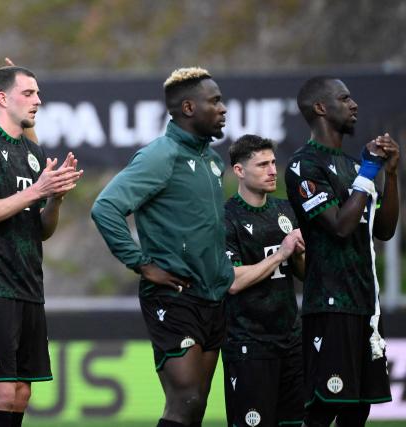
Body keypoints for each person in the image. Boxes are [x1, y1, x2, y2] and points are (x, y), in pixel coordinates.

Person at [91, 67, 234, 427]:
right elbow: (105, 208)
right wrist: (140, 262)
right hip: (174, 296)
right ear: (188, 108)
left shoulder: (213, 161)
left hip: (212, 296)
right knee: (184, 400)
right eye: (214, 101)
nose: (223, 108)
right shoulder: (160, 156)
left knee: (196, 406)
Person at [0, 65, 82, 427]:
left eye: (38, 93)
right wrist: (36, 191)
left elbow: (41, 230)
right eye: (28, 93)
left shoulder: (33, 152)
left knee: (21, 394)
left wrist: (54, 200)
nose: (38, 101)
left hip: (28, 284)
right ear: (2, 98)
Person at [285, 76, 400, 426]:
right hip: (330, 307)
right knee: (322, 411)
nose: (354, 105)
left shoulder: (353, 166)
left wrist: (390, 175)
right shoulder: (304, 165)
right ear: (321, 107)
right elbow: (339, 225)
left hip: (365, 305)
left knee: (357, 410)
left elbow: (383, 230)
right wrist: (369, 170)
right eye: (344, 98)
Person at [223, 134, 305, 427]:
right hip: (249, 343)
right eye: (262, 164)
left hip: (291, 340)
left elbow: (305, 274)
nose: (272, 170)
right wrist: (280, 254)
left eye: (272, 162)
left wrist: (298, 254)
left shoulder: (286, 210)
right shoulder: (226, 218)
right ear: (239, 171)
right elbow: (231, 280)